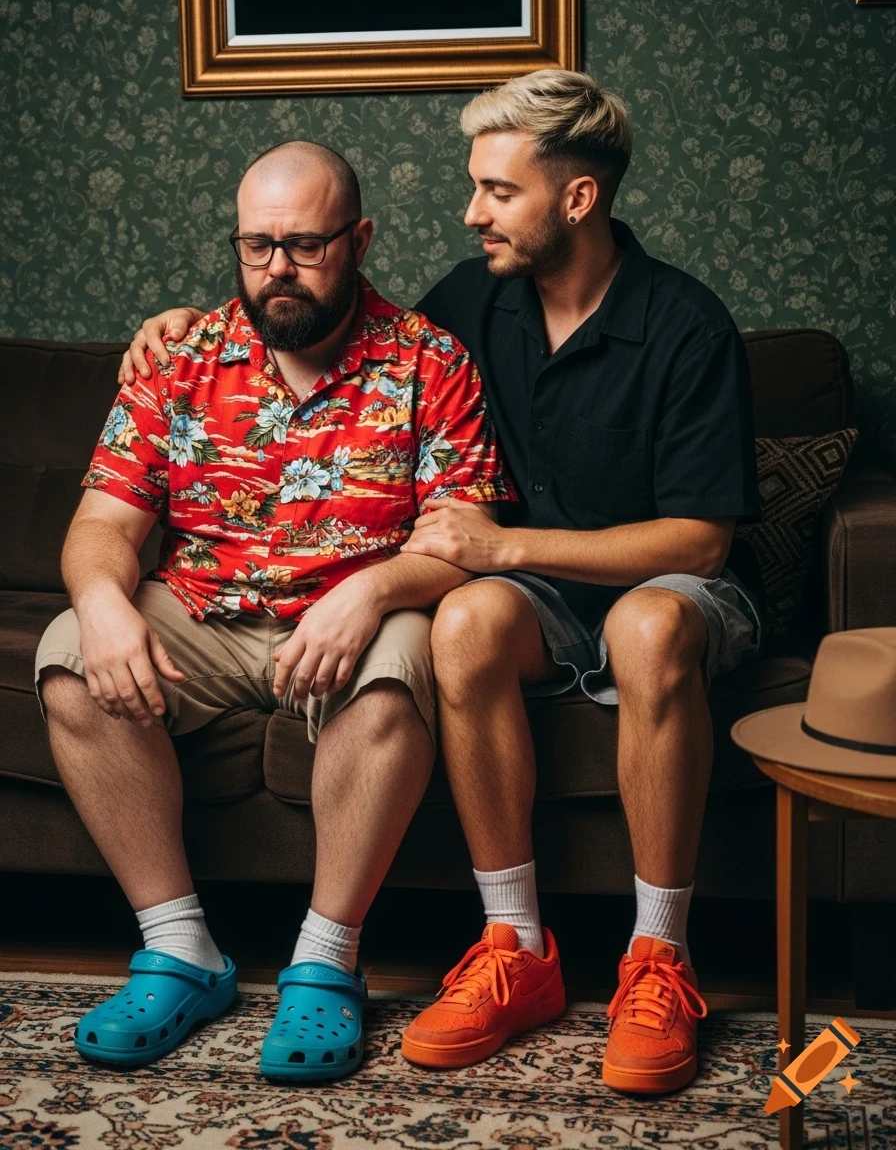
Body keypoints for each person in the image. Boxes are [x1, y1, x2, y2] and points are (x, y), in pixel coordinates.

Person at [119, 69, 763, 1094]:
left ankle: (657, 957)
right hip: (536, 603)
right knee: (460, 621)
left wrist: (504, 548)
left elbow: (698, 541)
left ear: (577, 198)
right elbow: (337, 328)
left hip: (671, 588)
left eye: (497, 191)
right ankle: (515, 944)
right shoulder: (475, 301)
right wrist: (186, 323)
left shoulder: (684, 322)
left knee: (641, 627)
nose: (471, 213)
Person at [35, 140, 517, 1083]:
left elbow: (464, 539)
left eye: (303, 245)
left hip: (360, 624)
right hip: (205, 618)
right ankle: (180, 950)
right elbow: (101, 523)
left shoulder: (431, 362)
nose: (277, 272)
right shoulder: (182, 357)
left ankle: (324, 963)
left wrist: (371, 590)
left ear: (361, 238)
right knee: (65, 652)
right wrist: (101, 600)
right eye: (256, 247)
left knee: (398, 671)